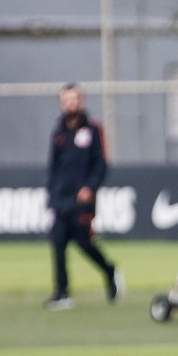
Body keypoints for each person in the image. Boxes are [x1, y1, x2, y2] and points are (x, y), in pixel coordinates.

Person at [44, 82, 122, 310]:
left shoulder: (93, 129)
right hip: (60, 199)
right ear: (61, 103)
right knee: (57, 244)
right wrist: (50, 197)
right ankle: (62, 293)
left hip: (82, 201)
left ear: (81, 101)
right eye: (66, 100)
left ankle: (109, 271)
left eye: (74, 99)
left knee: (84, 244)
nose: (71, 104)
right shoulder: (58, 133)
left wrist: (90, 187)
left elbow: (101, 164)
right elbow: (54, 167)